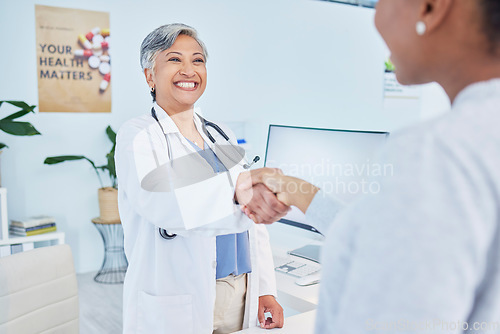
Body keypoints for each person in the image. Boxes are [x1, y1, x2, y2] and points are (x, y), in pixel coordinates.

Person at [238, 0, 500, 332]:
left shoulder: (435, 151)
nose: (376, 18)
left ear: (431, 7)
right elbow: (384, 238)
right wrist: (297, 190)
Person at [115, 23, 287, 334]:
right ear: (149, 75)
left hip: (240, 291)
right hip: (178, 297)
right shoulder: (138, 137)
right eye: (174, 59)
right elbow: (162, 204)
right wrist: (239, 194)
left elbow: (252, 224)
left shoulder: (222, 135)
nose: (189, 70)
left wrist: (265, 289)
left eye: (197, 60)